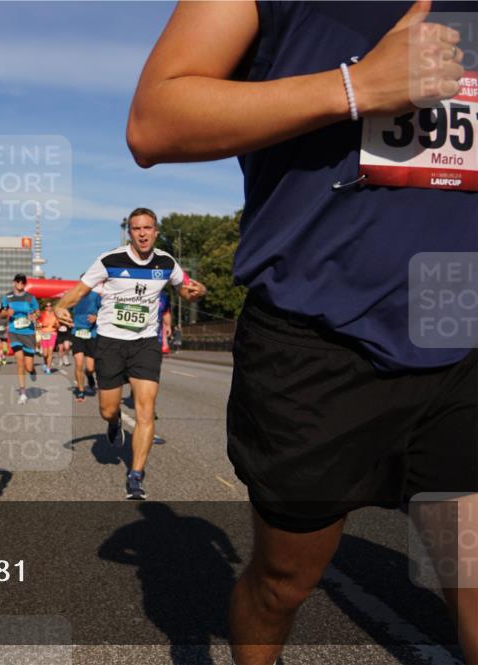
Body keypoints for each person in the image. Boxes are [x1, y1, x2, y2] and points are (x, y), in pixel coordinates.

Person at [128, 2, 475, 663]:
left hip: (462, 332)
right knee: (283, 584)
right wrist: (357, 86)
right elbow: (154, 122)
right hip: (319, 337)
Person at [56, 209, 206, 500]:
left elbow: (186, 290)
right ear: (130, 233)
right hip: (111, 343)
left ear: (156, 231)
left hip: (145, 343)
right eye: (137, 228)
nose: (142, 233)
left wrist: (199, 292)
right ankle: (114, 423)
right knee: (107, 409)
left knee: (146, 411)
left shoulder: (167, 262)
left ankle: (135, 474)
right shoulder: (109, 260)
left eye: (148, 228)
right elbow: (79, 290)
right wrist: (59, 306)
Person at [0, 274, 39, 404]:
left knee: (28, 366)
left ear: (25, 284)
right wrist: (6, 313)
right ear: (14, 282)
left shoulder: (30, 298)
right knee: (20, 361)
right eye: (18, 281)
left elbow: (37, 312)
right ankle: (23, 392)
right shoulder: (7, 297)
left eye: (23, 282)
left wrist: (34, 315)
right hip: (14, 332)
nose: (20, 284)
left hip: (29, 333)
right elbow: (1, 313)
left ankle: (32, 370)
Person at [69, 285, 102, 402]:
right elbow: (65, 309)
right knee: (78, 363)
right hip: (77, 332)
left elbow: (105, 311)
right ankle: (81, 391)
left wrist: (96, 317)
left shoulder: (96, 296)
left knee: (90, 368)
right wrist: (67, 319)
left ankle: (89, 375)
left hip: (91, 334)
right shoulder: (74, 296)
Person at [38, 301, 59, 374]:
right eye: (47, 306)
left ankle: (48, 368)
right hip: (44, 334)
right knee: (45, 354)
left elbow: (58, 325)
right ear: (45, 308)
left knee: (50, 352)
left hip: (53, 334)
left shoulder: (55, 315)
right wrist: (42, 325)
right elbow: (38, 325)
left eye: (50, 306)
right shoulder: (42, 315)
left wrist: (56, 326)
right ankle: (45, 363)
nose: (49, 307)